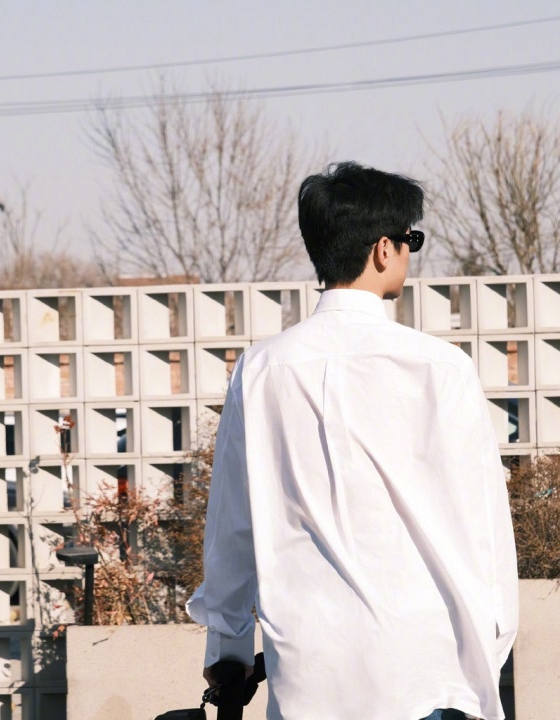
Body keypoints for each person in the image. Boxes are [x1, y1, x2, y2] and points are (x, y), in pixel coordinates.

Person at [187, 161, 519, 720]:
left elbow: (233, 527)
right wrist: (489, 654)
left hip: (309, 677)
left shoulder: (262, 369)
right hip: (428, 672)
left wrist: (228, 651)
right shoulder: (442, 368)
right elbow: (485, 531)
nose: (410, 253)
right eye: (412, 240)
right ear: (384, 249)